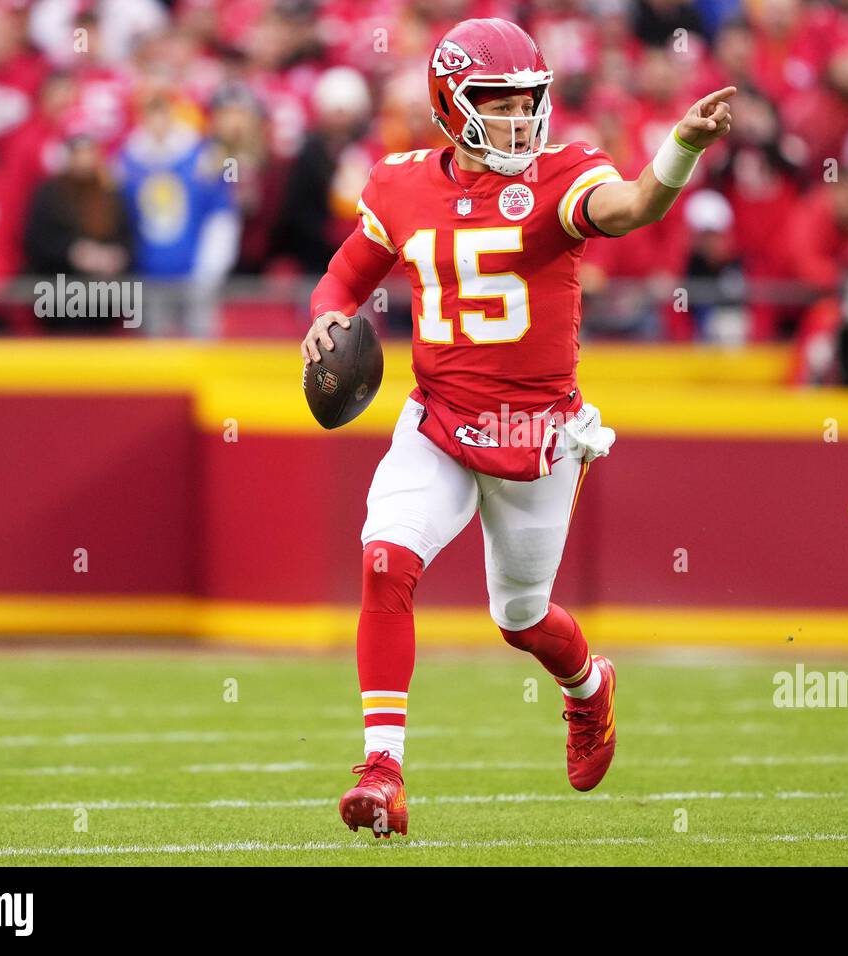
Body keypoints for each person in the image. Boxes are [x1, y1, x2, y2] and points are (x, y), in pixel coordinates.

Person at [299, 18, 734, 838]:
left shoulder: (562, 175)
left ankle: (589, 689)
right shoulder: (401, 184)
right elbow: (345, 277)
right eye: (497, 102)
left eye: (527, 101)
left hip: (536, 434)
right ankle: (383, 772)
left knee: (522, 616)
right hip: (437, 420)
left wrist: (679, 146)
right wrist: (325, 315)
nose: (518, 119)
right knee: (386, 560)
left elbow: (634, 204)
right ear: (449, 104)